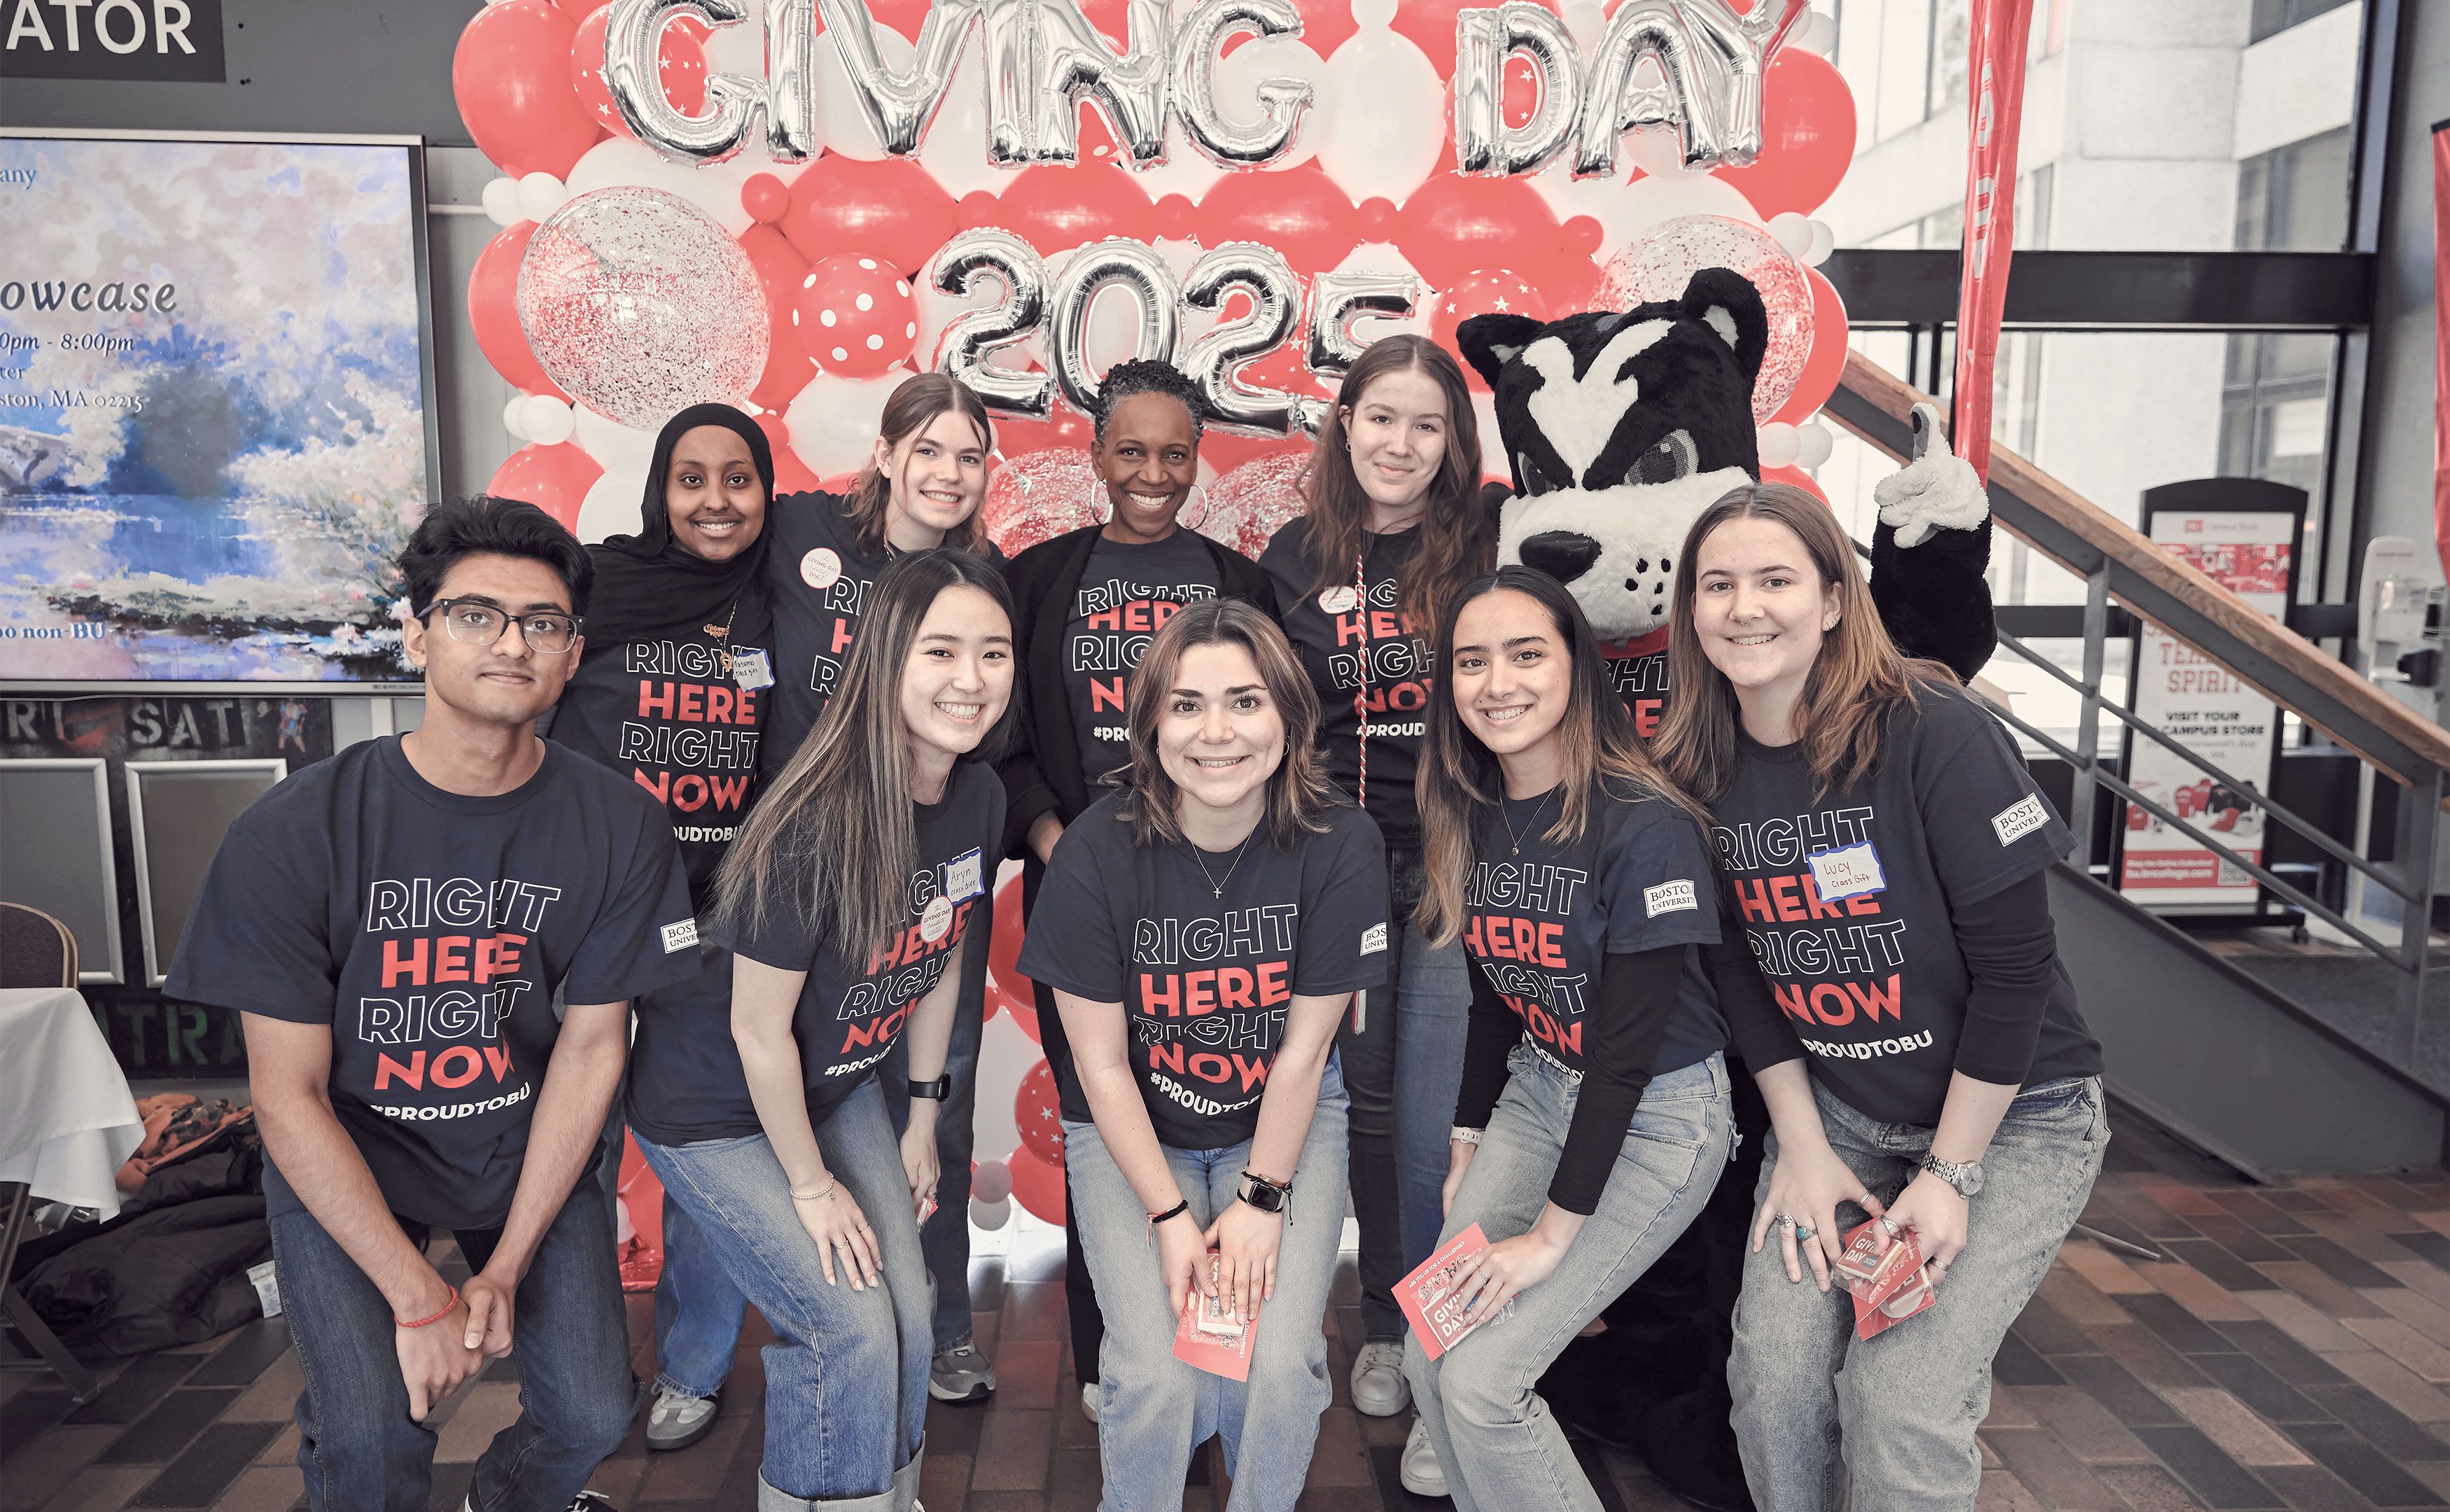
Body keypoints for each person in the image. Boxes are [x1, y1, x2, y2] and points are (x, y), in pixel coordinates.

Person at [165, 496, 701, 1512]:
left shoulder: (620, 824)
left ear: (573, 652)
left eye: (542, 622)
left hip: (519, 1150)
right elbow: (287, 1099)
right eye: (475, 615)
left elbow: (593, 1052)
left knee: (591, 1412)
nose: (512, 642)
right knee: (369, 1436)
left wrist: (500, 1271)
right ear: (417, 634)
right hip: (352, 1149)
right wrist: (419, 1299)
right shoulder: (295, 832)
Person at [1653, 483, 2106, 1512]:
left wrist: (1951, 1173)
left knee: (1900, 1400)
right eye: (1718, 585)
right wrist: (1804, 1150)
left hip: (2015, 1119)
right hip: (1844, 1115)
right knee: (1769, 1380)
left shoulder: (1933, 727)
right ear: (1690, 611)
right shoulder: (1694, 762)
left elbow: (2019, 966)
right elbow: (1741, 975)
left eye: (1776, 580)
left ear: (1830, 599)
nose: (1745, 607)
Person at [636, 550, 1013, 1512]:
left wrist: (924, 1115)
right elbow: (757, 1033)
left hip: (834, 1085)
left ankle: (889, 1499)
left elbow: (944, 949)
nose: (971, 681)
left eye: (994, 653)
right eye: (941, 651)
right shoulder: (816, 820)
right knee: (845, 1328)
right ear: (887, 660)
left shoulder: (979, 794)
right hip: (715, 1106)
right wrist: (810, 1188)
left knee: (913, 1318)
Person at [1016, 600, 1388, 1510]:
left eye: (1244, 702)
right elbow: (1098, 1067)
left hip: (1282, 1120)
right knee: (1155, 1372)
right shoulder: (1095, 853)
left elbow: (1306, 1055)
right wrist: (1171, 1218)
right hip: (1134, 1129)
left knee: (1281, 1364)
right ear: (1149, 725)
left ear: (1290, 719)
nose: (1215, 732)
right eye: (1186, 706)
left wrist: (1262, 1201)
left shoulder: (1343, 841)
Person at [1398, 566, 1732, 1508]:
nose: (1496, 682)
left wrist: (1549, 1237)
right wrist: (1467, 1142)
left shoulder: (1646, 822)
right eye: (1472, 660)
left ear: (1577, 669)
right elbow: (1496, 995)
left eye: (1525, 653)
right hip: (1540, 1088)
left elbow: (1624, 1057)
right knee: (1432, 1349)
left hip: (1656, 1116)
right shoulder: (1471, 804)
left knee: (1484, 1384)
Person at [997, 358, 1276, 1418]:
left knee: (1215, 1107)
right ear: (1095, 455)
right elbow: (1007, 738)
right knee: (1098, 1114)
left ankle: (1221, 1352)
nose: (1153, 472)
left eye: (1174, 452)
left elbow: (1271, 730)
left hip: (1220, 897)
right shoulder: (1038, 580)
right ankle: (1108, 1357)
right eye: (1132, 450)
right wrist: (1053, 835)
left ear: (1196, 457)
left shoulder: (1236, 582)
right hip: (1086, 893)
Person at [1258, 334, 1493, 1434]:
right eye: (1382, 417)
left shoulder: (1490, 540)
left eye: (1426, 424)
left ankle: (1451, 1337)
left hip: (1454, 861)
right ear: (1345, 423)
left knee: (1442, 1116)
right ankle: (1391, 1330)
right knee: (1367, 1105)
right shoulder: (1295, 553)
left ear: (1453, 444)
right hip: (1342, 869)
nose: (1401, 443)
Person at [763, 372, 1004, 1401]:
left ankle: (940, 1324)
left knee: (931, 1102)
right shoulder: (801, 534)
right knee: (761, 1064)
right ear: (888, 452)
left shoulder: (988, 574)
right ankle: (701, 1351)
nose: (950, 473)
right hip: (806, 874)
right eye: (933, 449)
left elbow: (1001, 725)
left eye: (972, 455)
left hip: (928, 880)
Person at [545, 404, 773, 1452]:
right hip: (584, 911)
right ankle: (578, 1366)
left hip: (715, 922)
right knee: (569, 1152)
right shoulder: (594, 587)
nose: (717, 502)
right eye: (692, 478)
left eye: (739, 478)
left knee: (703, 1151)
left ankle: (692, 1365)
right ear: (658, 489)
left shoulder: (776, 598)